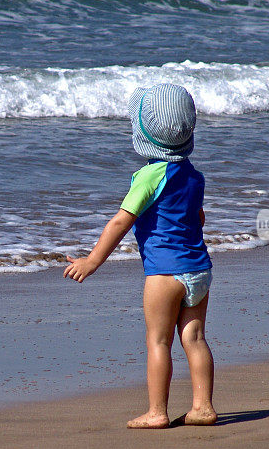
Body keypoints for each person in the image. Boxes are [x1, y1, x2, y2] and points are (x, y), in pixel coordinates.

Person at [63, 83, 217, 429]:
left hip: (164, 273)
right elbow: (199, 218)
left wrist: (92, 261)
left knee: (158, 340)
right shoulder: (195, 176)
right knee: (194, 338)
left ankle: (157, 412)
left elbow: (121, 220)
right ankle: (202, 407)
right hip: (199, 269)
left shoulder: (149, 175)